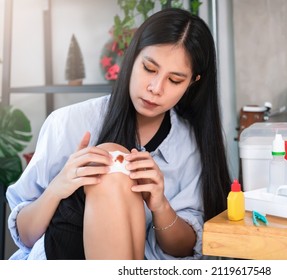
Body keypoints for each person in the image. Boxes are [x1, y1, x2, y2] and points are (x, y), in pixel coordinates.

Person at [6, 8, 231, 260]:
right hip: (62, 256)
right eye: (149, 68)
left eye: (175, 80)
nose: (155, 88)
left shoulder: (192, 143)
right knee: (113, 161)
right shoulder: (68, 122)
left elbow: (184, 249)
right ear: (131, 58)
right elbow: (25, 237)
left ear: (193, 82)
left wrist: (160, 205)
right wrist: (58, 187)